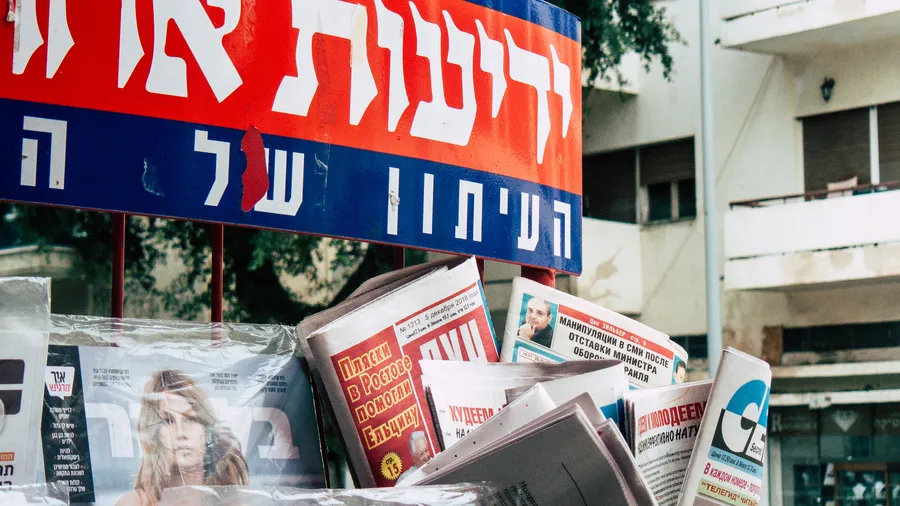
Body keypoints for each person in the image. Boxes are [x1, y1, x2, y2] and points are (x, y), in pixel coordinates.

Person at [116, 370, 249, 506]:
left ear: (207, 430)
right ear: (154, 434)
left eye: (190, 419)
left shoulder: (233, 499)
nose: (180, 433)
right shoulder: (134, 503)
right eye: (168, 421)